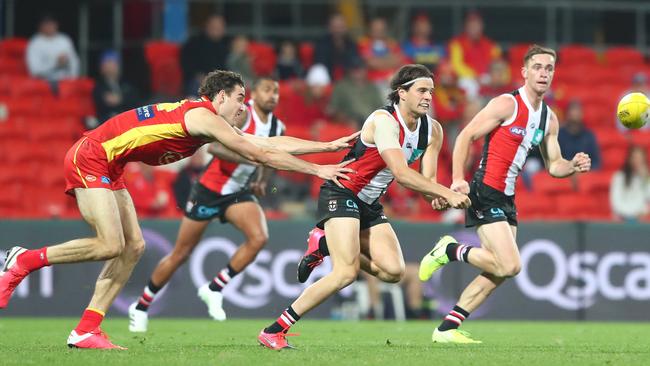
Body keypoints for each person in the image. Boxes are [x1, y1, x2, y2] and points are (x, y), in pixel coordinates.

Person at [0, 70, 359, 350]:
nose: (243, 107)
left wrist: (326, 145)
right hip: (92, 155)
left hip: (112, 165)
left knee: (135, 247)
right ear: (220, 96)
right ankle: (23, 261)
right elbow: (259, 153)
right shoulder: (203, 118)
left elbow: (266, 142)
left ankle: (86, 330)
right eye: (239, 99)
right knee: (111, 245)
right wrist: (318, 169)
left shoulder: (208, 120)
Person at [257, 64, 471, 350]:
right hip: (342, 191)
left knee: (394, 272)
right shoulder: (384, 121)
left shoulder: (433, 131)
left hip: (369, 204)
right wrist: (442, 191)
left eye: (431, 91)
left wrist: (438, 197)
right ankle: (275, 330)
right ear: (401, 93)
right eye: (421, 90)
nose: (429, 97)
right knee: (345, 273)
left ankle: (326, 244)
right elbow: (402, 174)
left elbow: (424, 182)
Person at [418, 45, 591, 344]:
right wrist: (459, 179)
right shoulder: (506, 104)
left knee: (499, 272)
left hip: (508, 200)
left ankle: (446, 329)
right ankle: (450, 250)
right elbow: (465, 135)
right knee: (511, 264)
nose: (543, 73)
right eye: (537, 67)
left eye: (549, 68)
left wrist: (573, 165)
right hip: (485, 191)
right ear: (524, 72)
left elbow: (554, 166)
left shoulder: (549, 119)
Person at [128, 76, 288, 331]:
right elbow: (213, 149)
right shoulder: (241, 116)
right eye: (268, 90)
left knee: (258, 238)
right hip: (210, 190)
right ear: (254, 94)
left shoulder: (278, 128)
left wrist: (262, 179)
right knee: (181, 253)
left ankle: (214, 288)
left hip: (238, 193)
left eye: (277, 91)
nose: (273, 96)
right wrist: (252, 159)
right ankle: (141, 305)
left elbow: (270, 160)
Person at [448, 11, 501, 98]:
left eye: (476, 25)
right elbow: (456, 65)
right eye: (471, 25)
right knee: (467, 84)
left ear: (481, 26)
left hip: (487, 77)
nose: (474, 28)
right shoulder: (457, 43)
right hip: (467, 78)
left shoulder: (490, 44)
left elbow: (498, 63)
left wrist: (494, 76)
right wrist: (474, 76)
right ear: (466, 27)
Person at [180, 14, 230, 96]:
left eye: (220, 27)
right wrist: (199, 76)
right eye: (214, 26)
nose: (217, 29)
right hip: (198, 80)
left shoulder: (227, 45)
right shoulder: (194, 43)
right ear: (207, 26)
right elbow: (187, 64)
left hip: (221, 80)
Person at [327, 57, 384, 128]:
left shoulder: (371, 86)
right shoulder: (341, 86)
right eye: (354, 68)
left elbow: (380, 107)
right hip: (350, 124)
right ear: (349, 70)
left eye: (360, 68)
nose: (357, 71)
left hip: (371, 123)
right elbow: (333, 110)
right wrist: (346, 120)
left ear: (365, 69)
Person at [26, 14, 80, 83]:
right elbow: (35, 71)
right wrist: (55, 64)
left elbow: (74, 61)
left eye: (52, 24)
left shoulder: (64, 39)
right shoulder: (35, 43)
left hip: (66, 82)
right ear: (40, 26)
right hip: (45, 83)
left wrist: (72, 79)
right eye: (47, 24)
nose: (50, 26)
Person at [93, 50, 140, 123]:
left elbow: (135, 101)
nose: (113, 66)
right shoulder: (99, 86)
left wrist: (121, 99)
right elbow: (102, 103)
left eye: (115, 63)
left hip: (128, 121)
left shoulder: (126, 84)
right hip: (108, 122)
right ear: (102, 67)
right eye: (108, 62)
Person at [357, 17, 406, 83]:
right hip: (372, 82)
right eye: (376, 29)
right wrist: (389, 59)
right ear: (369, 29)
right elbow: (371, 63)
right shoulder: (363, 43)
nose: (379, 32)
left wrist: (379, 60)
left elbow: (399, 61)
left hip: (392, 80)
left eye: (381, 29)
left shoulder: (392, 43)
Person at [313, 13, 361, 81]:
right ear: (329, 28)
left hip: (348, 81)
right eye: (335, 27)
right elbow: (321, 67)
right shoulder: (321, 45)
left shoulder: (352, 45)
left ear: (346, 28)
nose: (338, 30)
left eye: (341, 27)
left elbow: (354, 64)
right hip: (327, 81)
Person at [609, 145, 650, 221]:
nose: (637, 161)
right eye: (635, 157)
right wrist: (627, 215)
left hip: (640, 219)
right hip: (621, 218)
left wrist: (646, 179)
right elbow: (615, 202)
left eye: (640, 158)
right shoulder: (618, 177)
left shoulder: (647, 178)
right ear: (629, 159)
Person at [557, 100, 601, 170]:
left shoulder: (589, 136)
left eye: (578, 110)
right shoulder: (559, 135)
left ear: (582, 114)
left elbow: (596, 163)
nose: (575, 113)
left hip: (584, 174)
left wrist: (582, 168)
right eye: (573, 110)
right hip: (563, 173)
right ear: (567, 114)